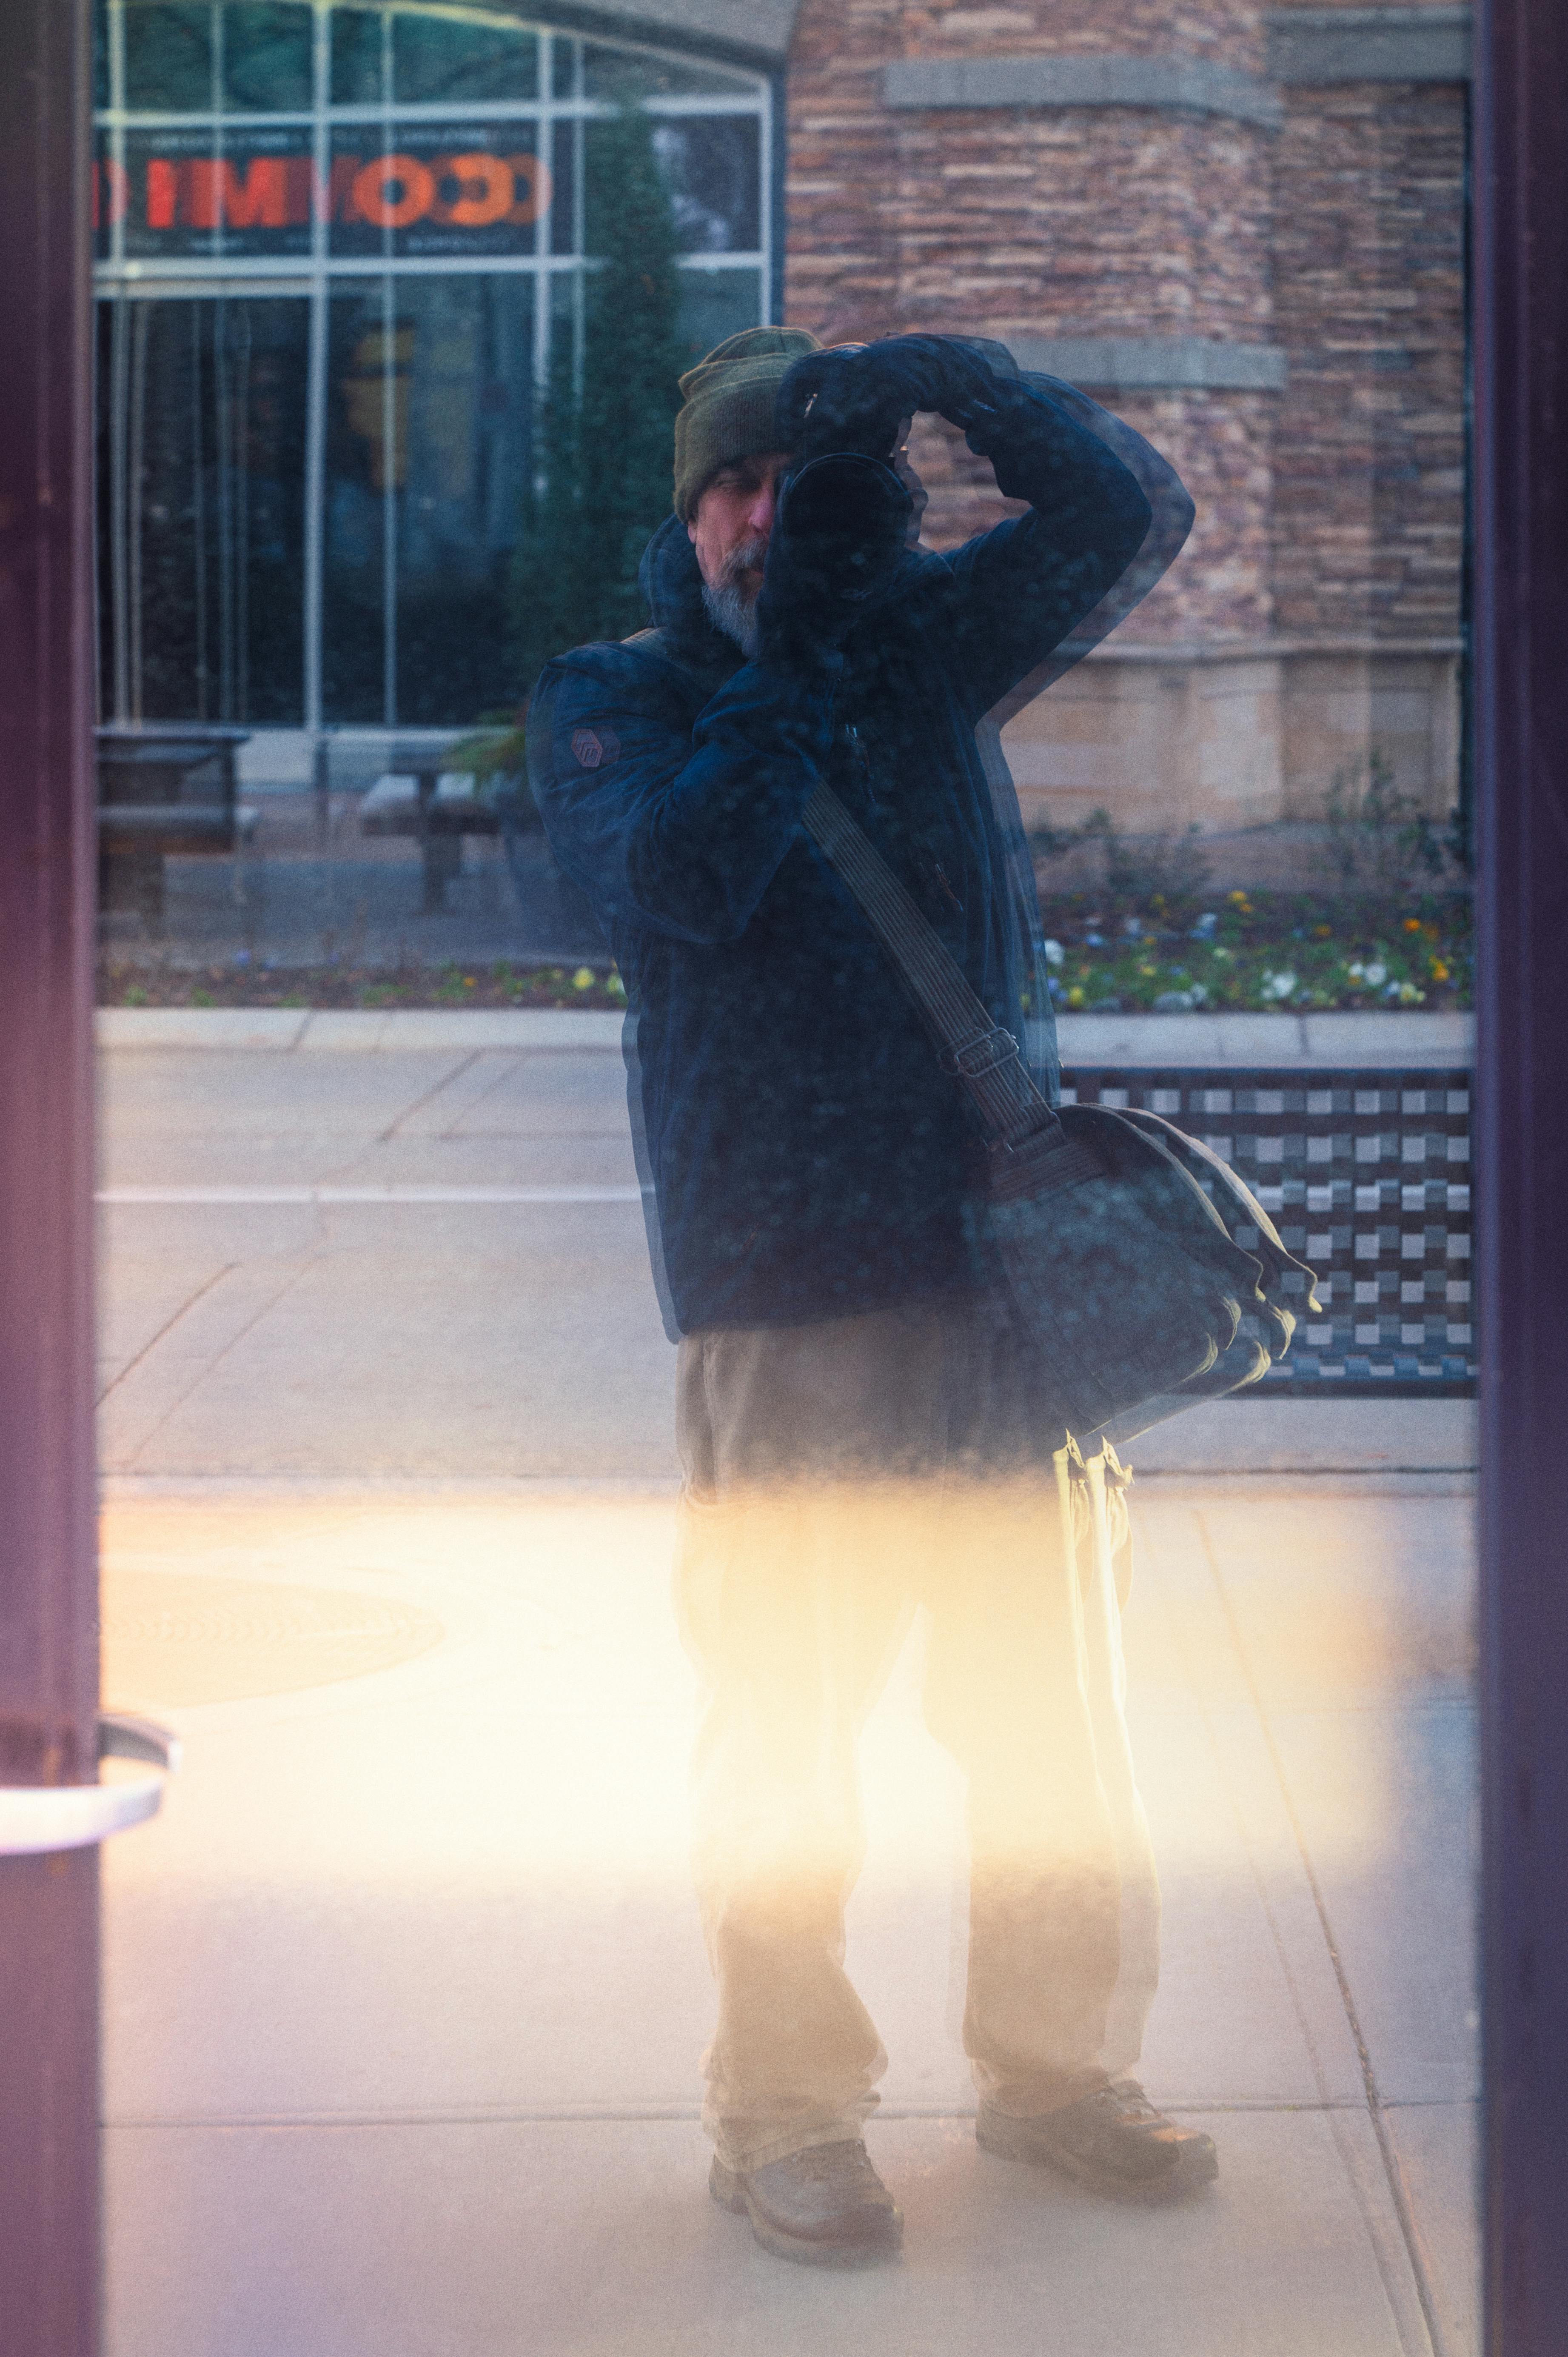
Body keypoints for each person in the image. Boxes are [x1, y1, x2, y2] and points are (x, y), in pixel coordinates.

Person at [527, 325, 1214, 2268]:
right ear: (690, 513)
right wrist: (808, 645)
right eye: (741, 487)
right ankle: (787, 2113)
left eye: (806, 488)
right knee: (788, 1735)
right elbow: (682, 879)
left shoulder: (928, 645)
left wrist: (965, 380)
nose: (770, 521)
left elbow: (1129, 510)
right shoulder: (615, 697)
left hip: (1004, 1297)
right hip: (785, 1302)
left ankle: (1056, 2072)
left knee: (1053, 1724)